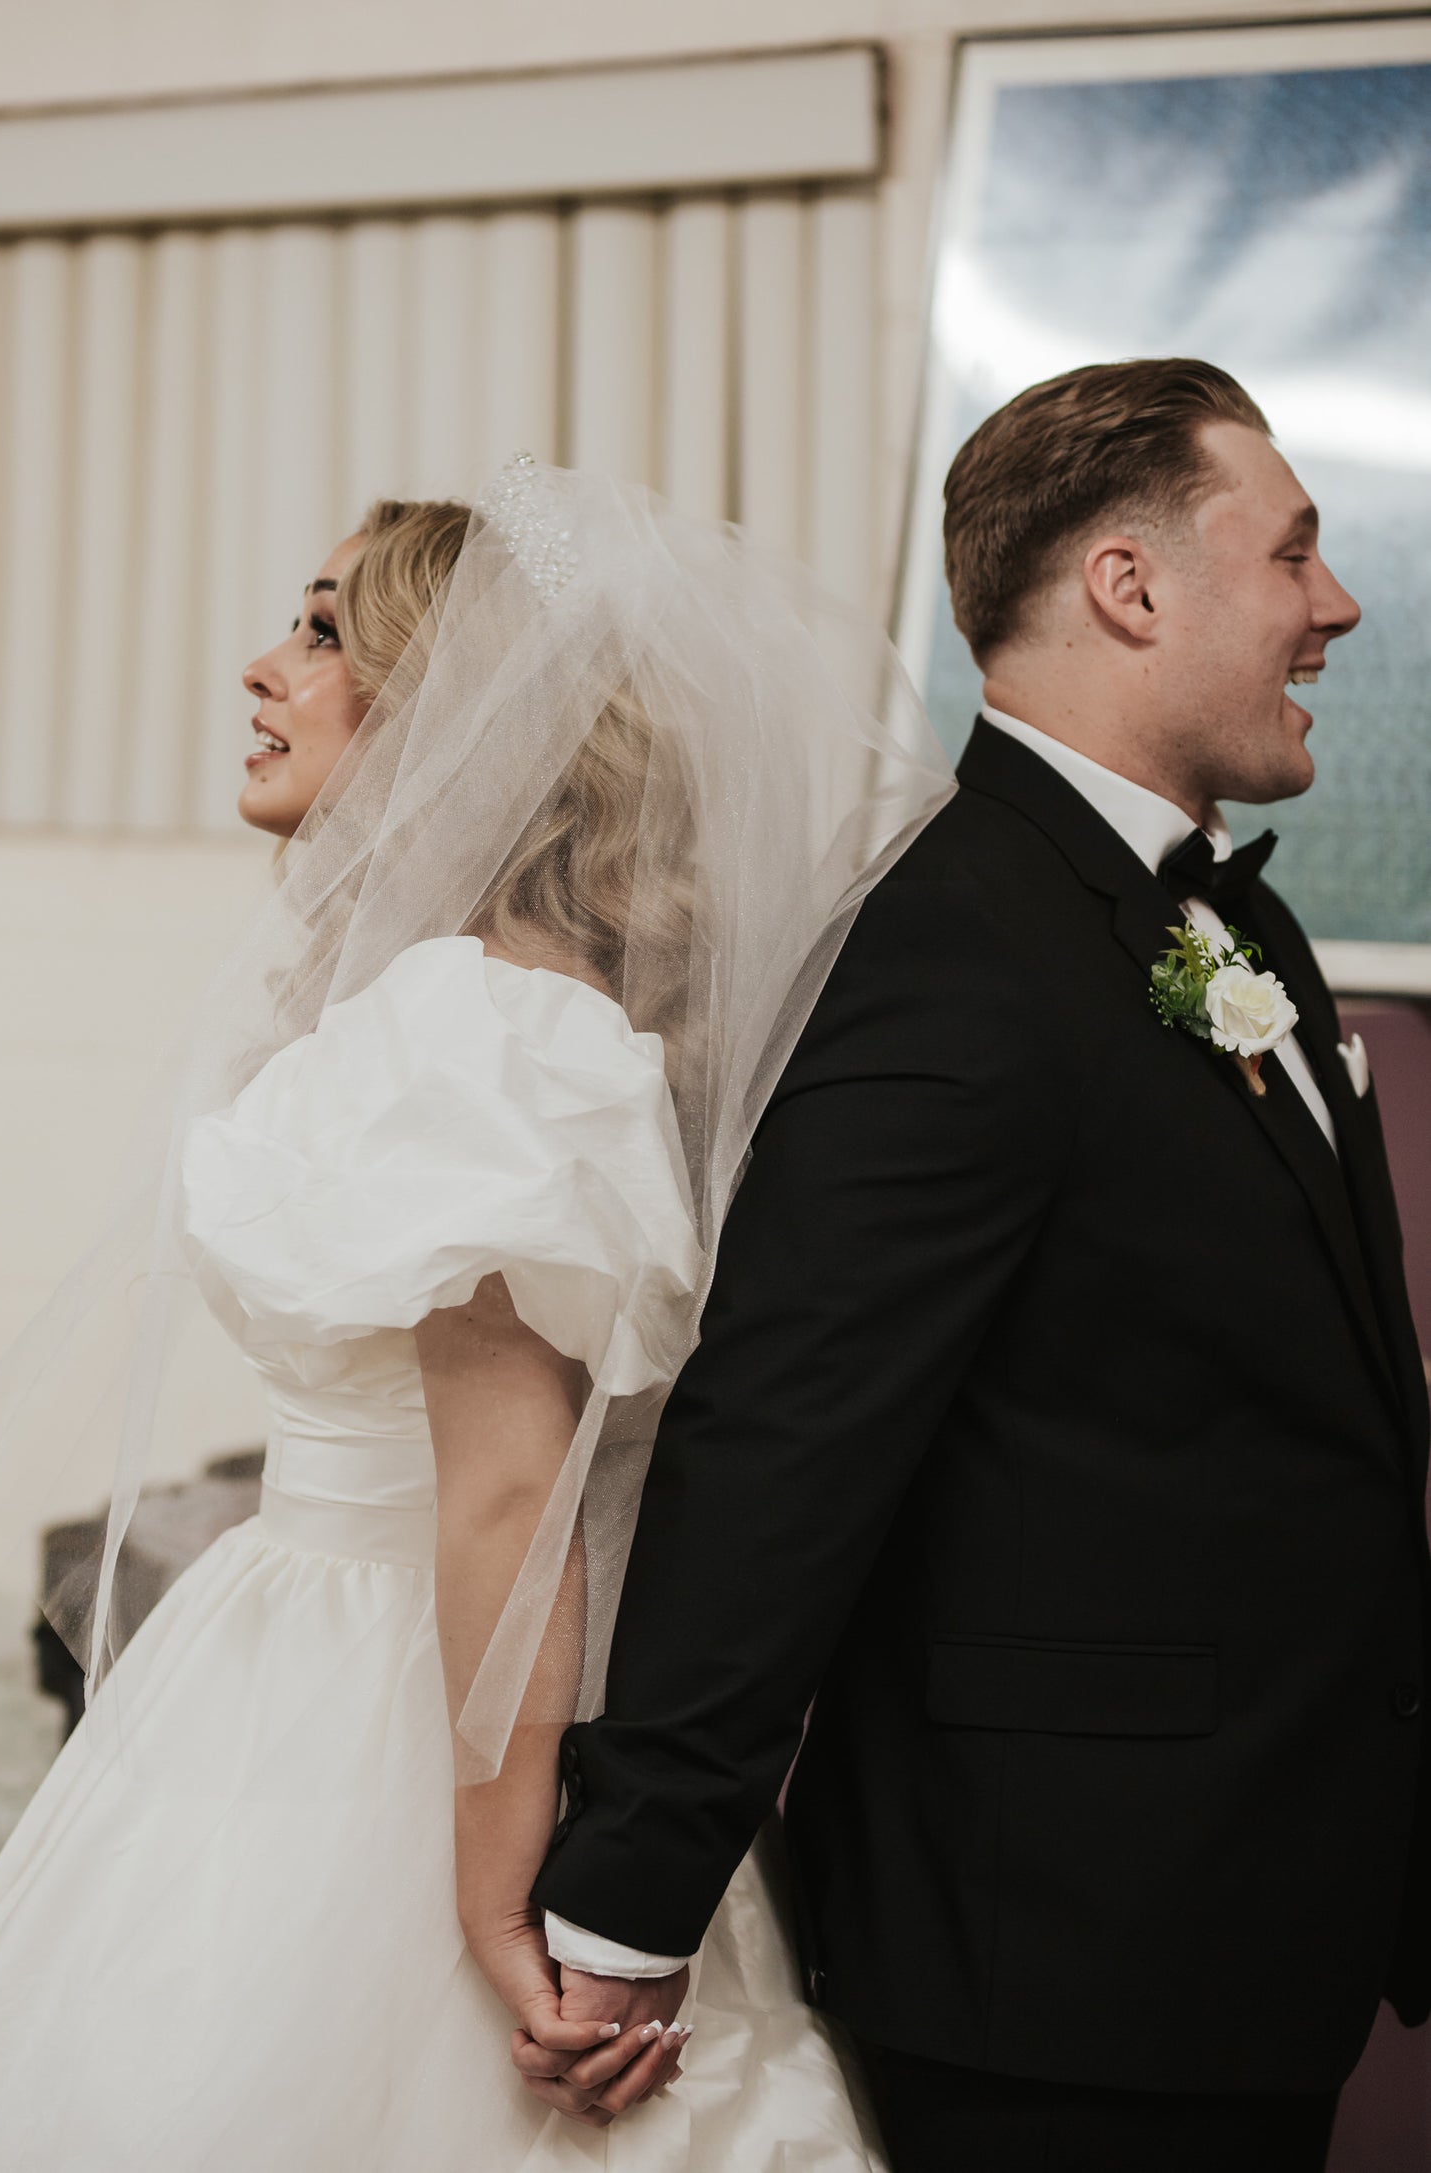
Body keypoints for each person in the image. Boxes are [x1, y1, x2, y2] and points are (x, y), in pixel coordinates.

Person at [0, 461, 951, 2168]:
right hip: (307, 1659)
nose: (262, 668)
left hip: (399, 1712)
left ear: (461, 712)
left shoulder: (493, 1029)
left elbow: (511, 1498)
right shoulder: (465, 1003)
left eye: (323, 632)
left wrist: (496, 1902)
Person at [528, 361, 1431, 2171]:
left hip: (1244, 1909)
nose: (1332, 605)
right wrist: (631, 1892)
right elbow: (787, 1434)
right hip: (1061, 1960)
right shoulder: (953, 941)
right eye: (1291, 554)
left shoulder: (1229, 919)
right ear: (1128, 585)